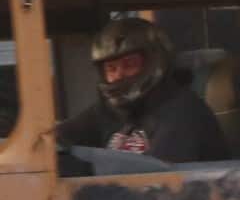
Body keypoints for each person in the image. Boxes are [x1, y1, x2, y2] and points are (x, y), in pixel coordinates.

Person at [55, 16, 229, 164]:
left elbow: (158, 179)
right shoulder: (109, 111)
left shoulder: (182, 111)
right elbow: (57, 141)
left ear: (154, 61)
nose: (119, 75)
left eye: (129, 64)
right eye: (111, 69)